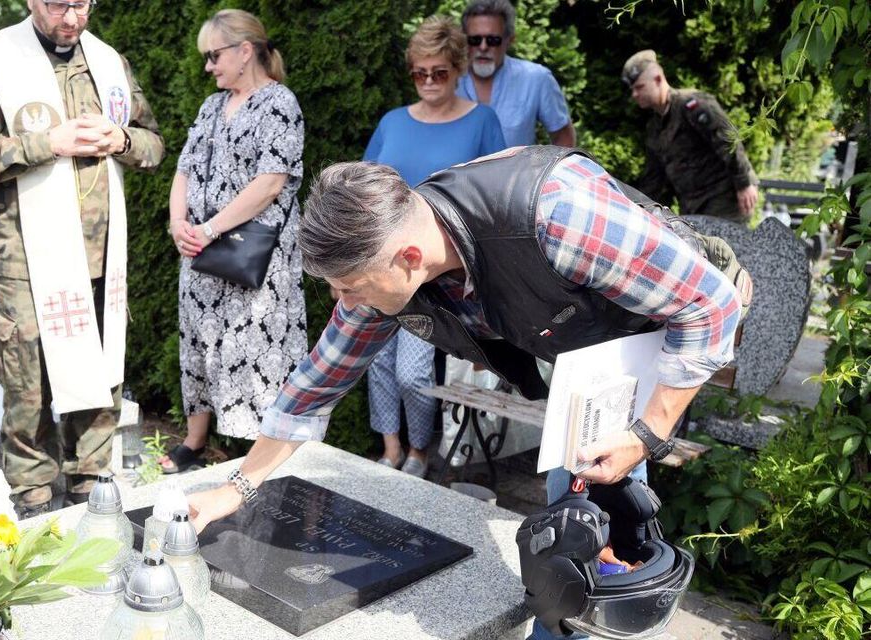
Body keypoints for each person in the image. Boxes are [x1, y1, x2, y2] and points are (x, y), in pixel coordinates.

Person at [187, 148, 749, 567]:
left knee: (577, 538)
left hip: (670, 317)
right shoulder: (384, 264)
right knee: (579, 536)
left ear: (407, 258)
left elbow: (710, 306)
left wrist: (645, 434)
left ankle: (605, 600)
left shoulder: (556, 214)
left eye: (350, 287)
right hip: (584, 346)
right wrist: (235, 489)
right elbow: (315, 385)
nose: (345, 304)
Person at [0, 0, 164, 518]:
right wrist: (46, 143)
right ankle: (34, 493)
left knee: (98, 371)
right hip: (25, 257)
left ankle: (91, 482)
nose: (72, 17)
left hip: (100, 251)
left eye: (82, 4)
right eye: (59, 4)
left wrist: (122, 139)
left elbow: (153, 144)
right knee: (27, 378)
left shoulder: (108, 62)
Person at [161, 9, 308, 474]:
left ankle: (259, 456)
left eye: (214, 55)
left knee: (256, 350)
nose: (208, 66)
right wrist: (177, 222)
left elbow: (269, 183)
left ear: (245, 52)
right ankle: (196, 439)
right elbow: (184, 167)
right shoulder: (210, 106)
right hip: (201, 250)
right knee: (200, 343)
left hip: (257, 258)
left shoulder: (280, 103)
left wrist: (208, 229)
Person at [361, 15, 505, 478]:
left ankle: (421, 451)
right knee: (377, 362)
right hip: (379, 261)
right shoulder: (392, 121)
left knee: (413, 370)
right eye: (418, 72)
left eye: (438, 72)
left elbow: (497, 198)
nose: (427, 81)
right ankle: (390, 449)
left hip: (438, 269)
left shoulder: (482, 120)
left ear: (458, 68)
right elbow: (362, 190)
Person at [623, 49, 759, 222]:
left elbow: (728, 141)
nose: (635, 94)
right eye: (632, 89)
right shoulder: (655, 128)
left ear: (658, 79)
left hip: (724, 199)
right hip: (692, 207)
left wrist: (744, 183)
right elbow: (654, 179)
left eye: (639, 87)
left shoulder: (692, 105)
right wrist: (640, 212)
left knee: (723, 248)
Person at [457, 0, 575, 148]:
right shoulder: (447, 79)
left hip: (517, 172)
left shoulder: (536, 79)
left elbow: (564, 138)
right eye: (475, 40)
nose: (483, 47)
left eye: (493, 40)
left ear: (509, 40)